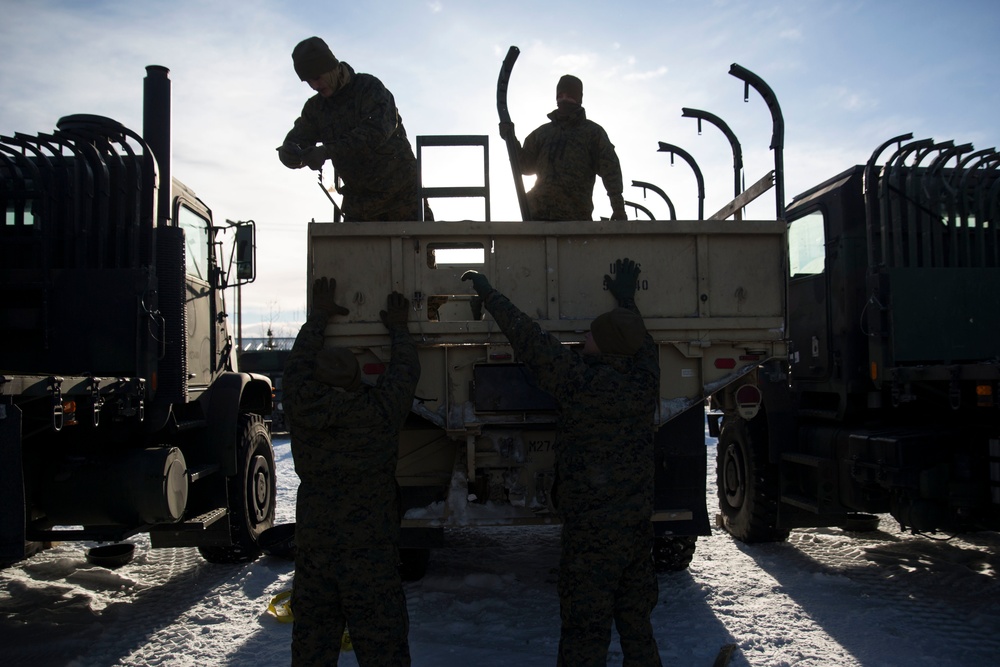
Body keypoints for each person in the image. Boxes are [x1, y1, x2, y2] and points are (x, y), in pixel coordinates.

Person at [461, 258, 661, 665]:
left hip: (591, 538)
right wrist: (627, 302)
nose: (584, 336)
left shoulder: (581, 382)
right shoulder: (644, 383)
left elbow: (529, 339)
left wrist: (489, 294)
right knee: (637, 626)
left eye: (592, 333)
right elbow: (644, 344)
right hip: (635, 534)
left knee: (584, 634)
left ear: (605, 345)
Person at [283, 277, 420, 666]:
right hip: (370, 554)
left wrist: (318, 318)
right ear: (357, 378)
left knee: (312, 648)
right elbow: (405, 372)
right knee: (384, 650)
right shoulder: (377, 414)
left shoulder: (301, 408)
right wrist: (398, 328)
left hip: (316, 553)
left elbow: (295, 369)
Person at [278, 36, 423, 221]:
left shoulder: (369, 88)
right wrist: (290, 153)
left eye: (316, 77)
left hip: (403, 197)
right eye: (308, 82)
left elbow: (376, 132)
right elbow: (298, 138)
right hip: (361, 206)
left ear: (331, 66)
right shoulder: (315, 109)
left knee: (418, 249)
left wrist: (326, 152)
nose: (315, 86)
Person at [500, 74, 627, 221]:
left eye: (570, 95)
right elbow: (524, 166)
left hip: (575, 221)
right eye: (560, 95)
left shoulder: (592, 132)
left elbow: (611, 170)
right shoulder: (542, 133)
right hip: (536, 217)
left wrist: (618, 208)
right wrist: (510, 139)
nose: (564, 98)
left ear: (579, 99)